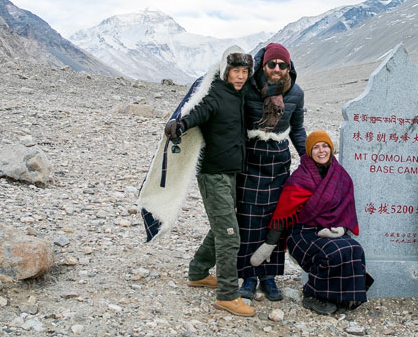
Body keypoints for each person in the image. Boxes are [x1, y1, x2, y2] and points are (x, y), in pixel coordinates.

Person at [158, 46, 255, 317]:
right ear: (226, 71)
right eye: (236, 71)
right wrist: (180, 124)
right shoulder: (215, 95)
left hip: (231, 172)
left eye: (245, 71)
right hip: (213, 174)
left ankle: (198, 272)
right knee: (229, 235)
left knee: (222, 226)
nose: (240, 76)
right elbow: (197, 113)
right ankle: (227, 295)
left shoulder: (239, 94)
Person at [250, 130, 371, 314]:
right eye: (315, 147)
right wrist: (270, 243)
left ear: (331, 149)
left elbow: (346, 208)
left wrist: (340, 228)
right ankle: (313, 295)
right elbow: (284, 212)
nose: (321, 151)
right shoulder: (300, 177)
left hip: (330, 231)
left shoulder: (340, 175)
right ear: (308, 151)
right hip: (302, 233)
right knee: (335, 252)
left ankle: (343, 298)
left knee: (354, 249)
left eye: (325, 146)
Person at [236, 43, 307, 302]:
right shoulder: (247, 88)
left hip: (278, 165)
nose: (277, 69)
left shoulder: (296, 93)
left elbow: (297, 129)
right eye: (272, 64)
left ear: (289, 67)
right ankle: (248, 276)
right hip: (250, 164)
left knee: (276, 221)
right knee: (248, 220)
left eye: (282, 65)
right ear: (263, 65)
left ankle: (269, 276)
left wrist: (310, 159)